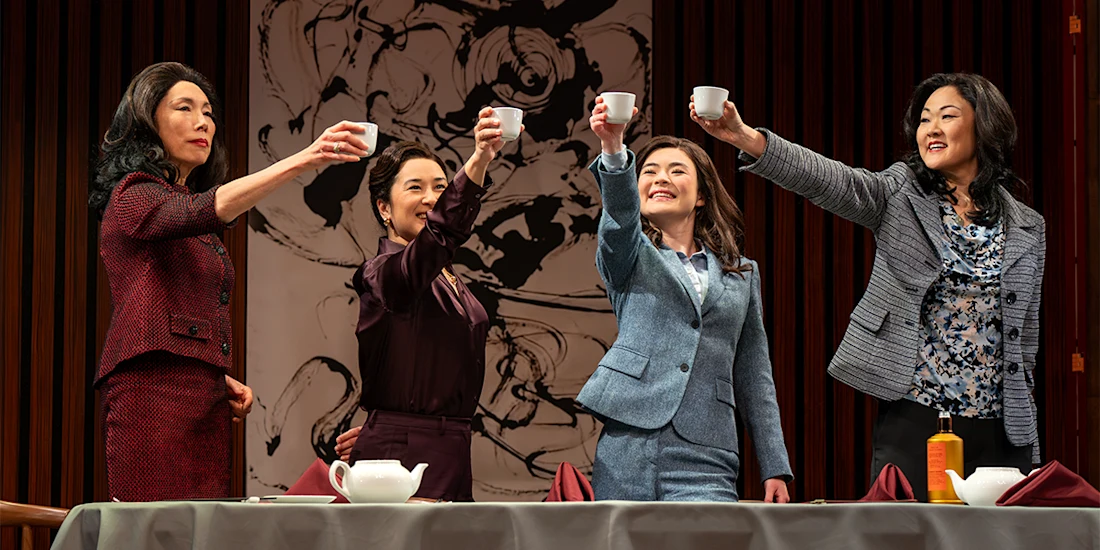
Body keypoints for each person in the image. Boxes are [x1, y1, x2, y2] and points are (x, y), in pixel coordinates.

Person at [693, 73, 1045, 500]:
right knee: (907, 531)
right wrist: (747, 138)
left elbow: (1025, 343)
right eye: (924, 119)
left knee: (1004, 534)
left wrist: (1027, 435)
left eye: (947, 116)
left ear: (984, 125)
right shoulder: (901, 193)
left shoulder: (1028, 226)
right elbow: (832, 180)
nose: (931, 129)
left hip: (1001, 428)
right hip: (918, 417)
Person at [90, 61, 372, 501]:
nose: (203, 121)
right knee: (157, 526)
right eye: (184, 108)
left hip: (202, 397)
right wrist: (307, 158)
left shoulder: (181, 203)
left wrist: (209, 373)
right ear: (147, 122)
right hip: (151, 392)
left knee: (205, 526)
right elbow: (202, 210)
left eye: (208, 111)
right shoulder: (132, 193)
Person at [575, 96, 793, 502]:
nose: (661, 178)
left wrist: (774, 465)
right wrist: (613, 147)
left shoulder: (742, 273)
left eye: (677, 171)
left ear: (701, 196)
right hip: (629, 446)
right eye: (650, 171)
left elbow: (754, 372)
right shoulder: (628, 254)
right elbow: (619, 218)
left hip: (708, 448)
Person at [332, 109, 516, 502]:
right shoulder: (381, 272)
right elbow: (439, 235)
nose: (431, 199)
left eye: (440, 188)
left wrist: (382, 425)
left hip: (451, 448)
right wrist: (480, 159)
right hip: (406, 454)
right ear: (384, 207)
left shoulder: (447, 276)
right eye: (415, 187)